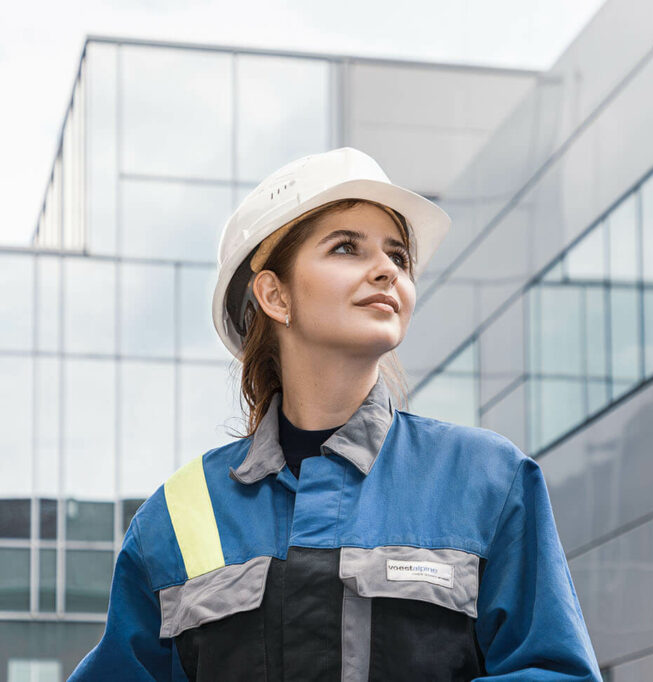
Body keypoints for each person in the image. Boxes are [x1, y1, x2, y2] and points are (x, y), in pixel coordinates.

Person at [68, 147, 602, 681]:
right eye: (347, 247)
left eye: (398, 256)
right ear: (275, 295)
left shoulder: (486, 479)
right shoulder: (178, 516)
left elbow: (555, 671)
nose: (386, 271)